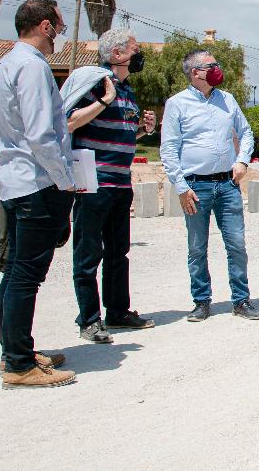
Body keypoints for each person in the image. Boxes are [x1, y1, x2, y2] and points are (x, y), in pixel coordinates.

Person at [0, 0, 78, 389]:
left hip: (14, 180)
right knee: (26, 276)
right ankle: (19, 364)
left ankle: (16, 350)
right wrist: (65, 179)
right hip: (37, 183)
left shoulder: (5, 63)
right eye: (58, 26)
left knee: (15, 273)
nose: (59, 34)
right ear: (44, 26)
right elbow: (42, 135)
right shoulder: (32, 67)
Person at [64, 28, 157, 344]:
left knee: (119, 251)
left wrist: (144, 131)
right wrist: (104, 100)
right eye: (135, 48)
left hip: (120, 182)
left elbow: (121, 134)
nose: (139, 53)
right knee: (88, 253)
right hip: (93, 183)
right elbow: (69, 121)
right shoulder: (95, 83)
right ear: (117, 54)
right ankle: (89, 319)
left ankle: (117, 311)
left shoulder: (126, 89)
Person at [160, 50, 259, 322]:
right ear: (195, 72)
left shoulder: (227, 100)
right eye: (211, 65)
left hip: (227, 185)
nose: (218, 69)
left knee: (237, 244)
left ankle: (241, 300)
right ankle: (202, 301)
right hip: (195, 187)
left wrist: (242, 161)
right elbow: (168, 149)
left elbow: (246, 132)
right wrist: (180, 187)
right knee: (197, 247)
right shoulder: (176, 104)